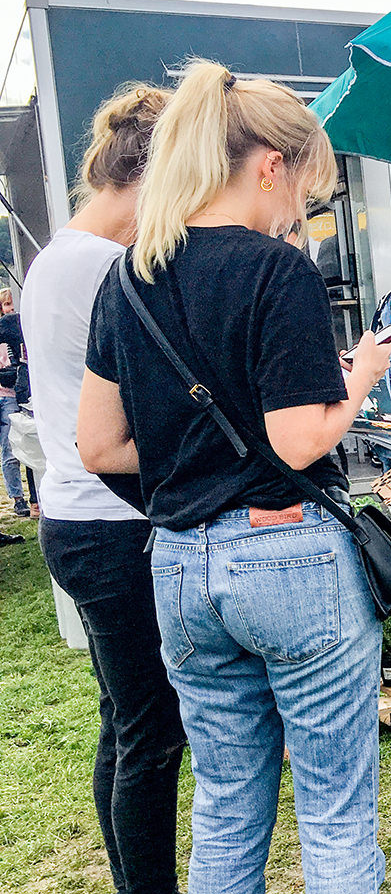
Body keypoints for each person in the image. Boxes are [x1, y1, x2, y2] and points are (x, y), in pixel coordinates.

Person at [76, 59, 391, 894]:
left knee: (223, 805)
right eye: (309, 192)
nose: (304, 212)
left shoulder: (130, 277)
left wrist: (193, 454)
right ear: (269, 167)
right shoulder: (274, 269)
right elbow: (296, 442)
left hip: (180, 565)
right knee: (332, 811)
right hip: (287, 550)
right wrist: (358, 378)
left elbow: (99, 447)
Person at [21, 82, 187, 894]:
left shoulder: (59, 255)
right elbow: (142, 410)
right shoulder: (105, 268)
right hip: (112, 524)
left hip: (75, 520)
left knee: (124, 725)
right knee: (153, 735)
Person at [1, 286, 29, 516]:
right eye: (7, 304)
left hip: (15, 393)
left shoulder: (18, 330)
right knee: (7, 451)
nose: (10, 308)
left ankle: (27, 499)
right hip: (3, 395)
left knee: (18, 447)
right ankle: (17, 497)